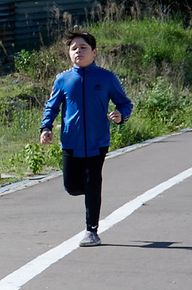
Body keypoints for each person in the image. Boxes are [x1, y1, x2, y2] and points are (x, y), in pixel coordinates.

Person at [38, 28, 132, 246]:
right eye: (74, 48)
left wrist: (120, 115)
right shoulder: (63, 80)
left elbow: (125, 103)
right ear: (69, 54)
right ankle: (91, 192)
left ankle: (92, 231)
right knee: (71, 187)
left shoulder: (106, 78)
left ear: (94, 52)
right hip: (71, 141)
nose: (78, 51)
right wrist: (46, 128)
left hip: (98, 141)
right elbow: (52, 107)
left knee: (93, 181)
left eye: (83, 48)